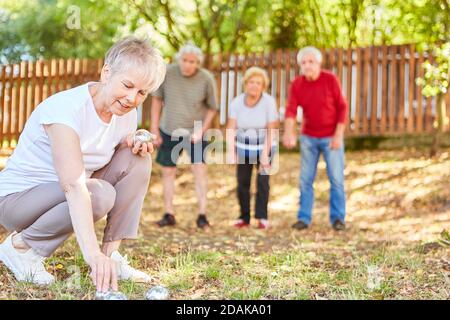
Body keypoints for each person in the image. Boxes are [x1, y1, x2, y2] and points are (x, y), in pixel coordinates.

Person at [0, 37, 166, 292]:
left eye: (142, 92)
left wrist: (129, 144)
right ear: (107, 72)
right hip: (17, 200)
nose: (133, 98)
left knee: (138, 158)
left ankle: (111, 256)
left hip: (61, 196)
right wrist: (91, 255)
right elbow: (74, 186)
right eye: (128, 85)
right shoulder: (66, 110)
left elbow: (107, 160)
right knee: (98, 193)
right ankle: (21, 248)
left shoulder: (126, 114)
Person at [150, 42, 219, 229]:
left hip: (194, 131)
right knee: (168, 172)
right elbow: (156, 100)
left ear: (198, 63)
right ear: (179, 59)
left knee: (199, 171)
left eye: (193, 62)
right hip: (168, 129)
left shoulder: (206, 79)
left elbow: (213, 108)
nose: (188, 65)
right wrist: (154, 129)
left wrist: (202, 130)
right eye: (185, 60)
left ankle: (202, 214)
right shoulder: (167, 73)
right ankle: (168, 213)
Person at [282, 46, 348, 231]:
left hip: (331, 137)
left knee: (336, 179)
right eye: (304, 62)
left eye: (311, 62)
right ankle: (304, 218)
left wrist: (338, 135)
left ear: (318, 63)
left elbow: (342, 107)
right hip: (309, 137)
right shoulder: (297, 84)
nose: (307, 65)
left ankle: (338, 218)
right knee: (305, 180)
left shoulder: (330, 80)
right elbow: (291, 110)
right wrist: (289, 132)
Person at [227, 67, 279, 229]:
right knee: (243, 181)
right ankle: (244, 217)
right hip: (243, 146)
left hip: (266, 144)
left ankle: (262, 217)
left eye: (258, 83)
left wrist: (265, 154)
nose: (254, 86)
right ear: (246, 83)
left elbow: (272, 129)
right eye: (251, 82)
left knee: (263, 181)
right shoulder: (237, 102)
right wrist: (231, 152)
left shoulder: (269, 102)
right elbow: (230, 128)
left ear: (263, 86)